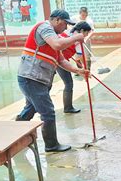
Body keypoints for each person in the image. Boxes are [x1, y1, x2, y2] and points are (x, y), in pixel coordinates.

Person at [15, 9, 88, 152]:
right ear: (57, 20)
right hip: (31, 78)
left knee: (31, 108)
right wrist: (76, 37)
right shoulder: (44, 27)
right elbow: (57, 45)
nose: (66, 28)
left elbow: (61, 60)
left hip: (37, 79)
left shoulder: (53, 36)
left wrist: (77, 70)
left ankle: (16, 132)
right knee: (47, 112)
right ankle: (51, 145)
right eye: (65, 24)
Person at [57, 22, 92, 113]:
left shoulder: (67, 33)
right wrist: (86, 69)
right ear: (82, 31)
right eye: (86, 33)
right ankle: (68, 108)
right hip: (58, 61)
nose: (86, 36)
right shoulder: (77, 40)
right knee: (68, 83)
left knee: (47, 85)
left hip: (55, 59)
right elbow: (80, 56)